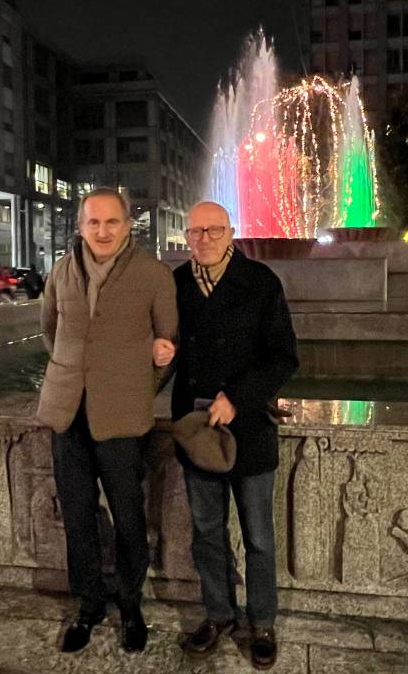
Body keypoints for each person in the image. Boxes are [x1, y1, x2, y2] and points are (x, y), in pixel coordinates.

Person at [36, 187, 178, 655]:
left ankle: (130, 602)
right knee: (76, 515)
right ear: (80, 226)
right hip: (67, 412)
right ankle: (90, 603)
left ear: (127, 224)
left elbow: (167, 347)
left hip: (122, 414)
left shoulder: (154, 275)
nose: (102, 231)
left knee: (128, 514)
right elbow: (50, 331)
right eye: (93, 222)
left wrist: (138, 384)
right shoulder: (61, 270)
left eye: (111, 222)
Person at [172, 201, 299, 670]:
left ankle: (262, 620)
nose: (203, 238)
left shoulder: (261, 283)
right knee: (207, 532)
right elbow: (170, 350)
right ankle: (219, 614)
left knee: (258, 535)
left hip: (247, 427)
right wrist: (162, 355)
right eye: (195, 231)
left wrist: (237, 397)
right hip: (198, 429)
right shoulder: (179, 284)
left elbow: (285, 357)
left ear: (231, 234)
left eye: (214, 230)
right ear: (187, 236)